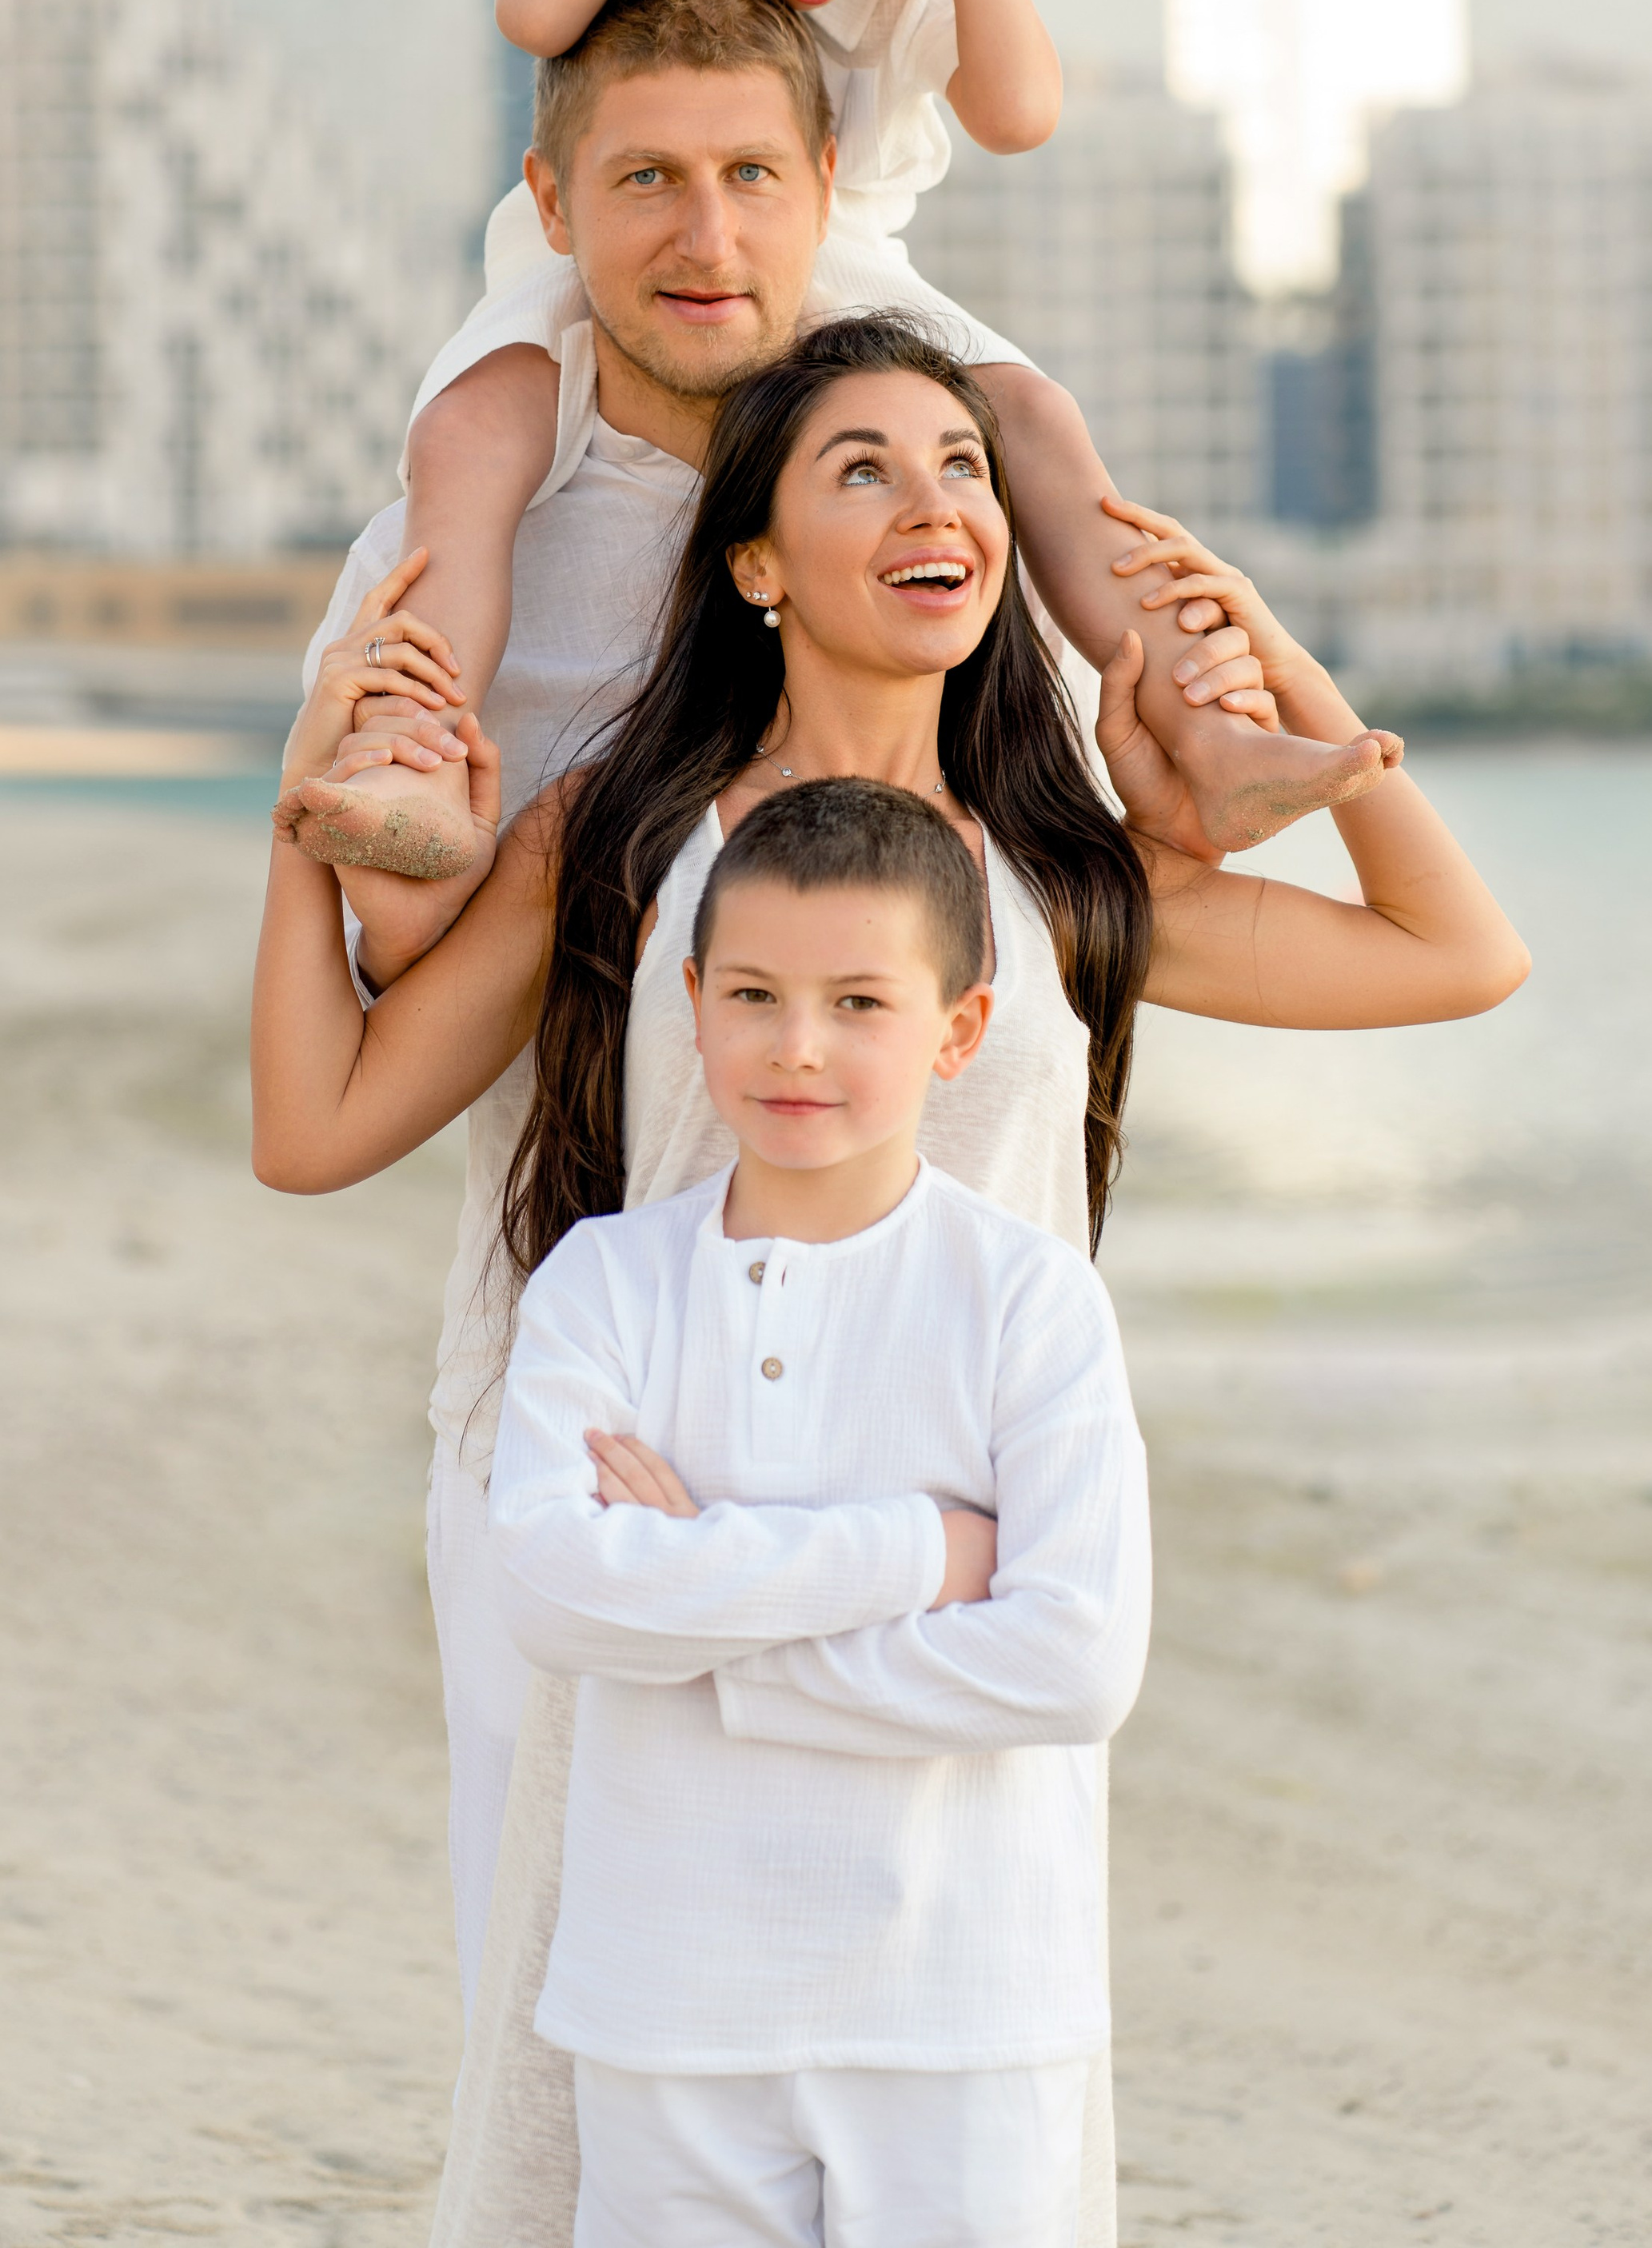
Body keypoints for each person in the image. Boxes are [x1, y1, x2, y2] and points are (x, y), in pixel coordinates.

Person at [253, 313, 1530, 2247]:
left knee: (962, 2106)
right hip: (671, 1549)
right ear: (752, 561)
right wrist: (298, 822)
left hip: (963, 1576)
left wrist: (1285, 688)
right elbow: (317, 1122)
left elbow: (1456, 954)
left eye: (958, 469)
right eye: (859, 469)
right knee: (602, 2109)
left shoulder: (1060, 876)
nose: (933, 506)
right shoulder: (620, 843)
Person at [317, 0, 1395, 884]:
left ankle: (1207, 732)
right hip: (622, 243)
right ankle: (415, 758)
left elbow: (1019, 114)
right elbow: (535, 12)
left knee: (1037, 421)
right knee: (466, 439)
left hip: (844, 260)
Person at [489, 773, 1153, 2247]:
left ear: (959, 1030)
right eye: (755, 995)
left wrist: (694, 1614)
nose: (798, 1049)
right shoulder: (604, 1282)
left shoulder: (1030, 1296)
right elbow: (547, 1592)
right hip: (668, 1991)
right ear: (693, 1003)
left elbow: (1077, 1662)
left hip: (966, 2000)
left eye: (861, 1003)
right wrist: (918, 1551)